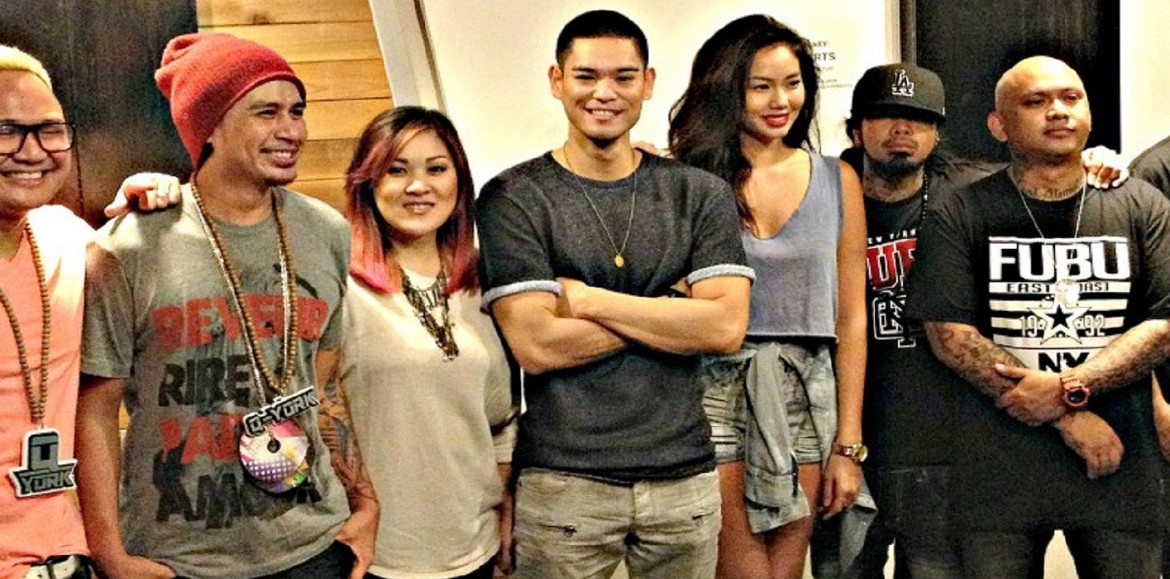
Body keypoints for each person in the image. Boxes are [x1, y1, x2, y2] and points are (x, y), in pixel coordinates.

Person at [77, 32, 378, 579]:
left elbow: (324, 386)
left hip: (314, 545)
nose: (292, 130)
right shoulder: (130, 246)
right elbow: (94, 413)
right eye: (267, 112)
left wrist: (365, 503)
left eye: (297, 111)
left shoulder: (327, 232)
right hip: (181, 558)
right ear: (209, 126)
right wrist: (109, 555)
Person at [475, 10, 753, 579]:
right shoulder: (513, 197)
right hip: (564, 482)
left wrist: (588, 300)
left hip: (684, 477)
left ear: (647, 83)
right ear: (557, 81)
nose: (604, 92)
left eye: (623, 77)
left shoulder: (698, 194)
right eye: (586, 76)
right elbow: (538, 345)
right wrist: (675, 307)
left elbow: (725, 328)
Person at [841, 63, 1128, 579]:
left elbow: (1047, 180)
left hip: (949, 448)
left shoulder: (972, 193)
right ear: (857, 129)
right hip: (850, 441)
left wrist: (1093, 161)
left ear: (937, 131)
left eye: (918, 118)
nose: (902, 129)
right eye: (885, 116)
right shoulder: (825, 193)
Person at [906, 56, 1170, 578]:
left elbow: (1164, 326)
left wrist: (1069, 387)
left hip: (1120, 462)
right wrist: (1068, 414)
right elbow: (949, 336)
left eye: (1071, 98)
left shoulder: (1143, 205)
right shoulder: (959, 211)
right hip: (998, 469)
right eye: (1036, 101)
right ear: (998, 124)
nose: (1058, 111)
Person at [668, 15, 868, 579]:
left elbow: (851, 318)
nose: (781, 101)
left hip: (807, 390)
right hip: (711, 388)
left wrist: (848, 444)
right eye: (761, 86)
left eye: (793, 83)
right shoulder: (685, 178)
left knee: (786, 570)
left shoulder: (837, 179)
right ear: (726, 88)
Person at [0, 44, 180, 579]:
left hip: (65, 557)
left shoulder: (65, 237)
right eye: (5, 131)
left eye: (50, 130)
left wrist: (138, 214)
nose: (32, 151)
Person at [339, 106, 517, 578]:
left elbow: (501, 422)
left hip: (474, 546)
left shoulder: (488, 278)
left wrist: (505, 508)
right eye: (397, 170)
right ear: (367, 182)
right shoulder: (336, 283)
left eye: (436, 169)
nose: (418, 186)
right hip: (375, 554)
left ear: (459, 182)